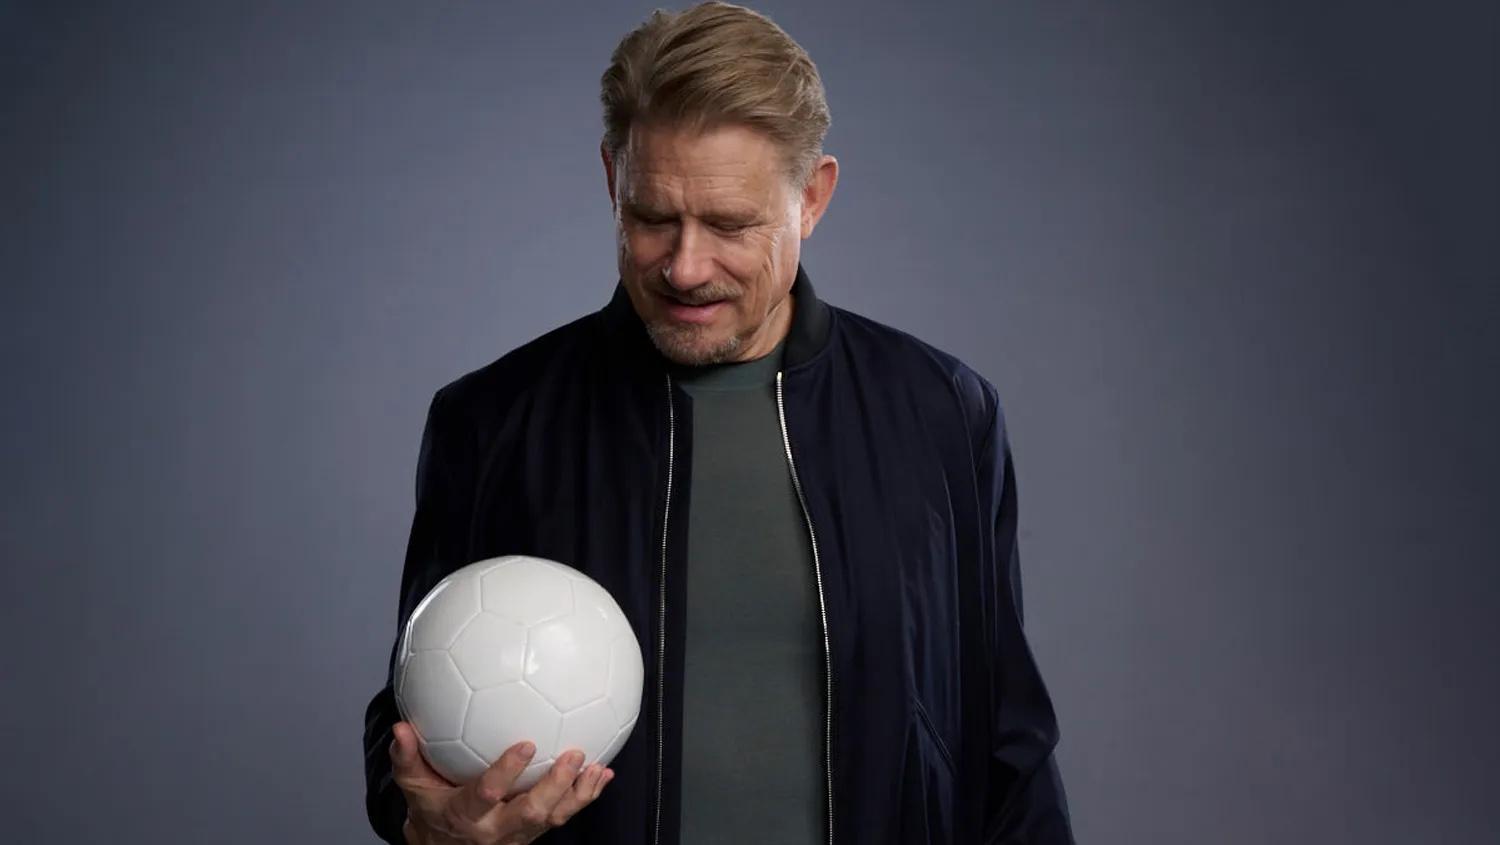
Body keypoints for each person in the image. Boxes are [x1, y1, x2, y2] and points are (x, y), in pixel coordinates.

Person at [362, 3, 1074, 843]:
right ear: (612, 180)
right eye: (652, 217)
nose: (685, 266)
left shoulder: (941, 411)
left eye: (731, 224)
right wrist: (422, 821)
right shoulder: (492, 422)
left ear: (813, 197)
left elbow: (1007, 739)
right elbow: (415, 709)